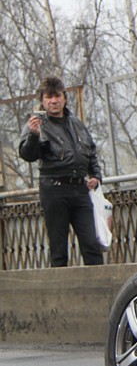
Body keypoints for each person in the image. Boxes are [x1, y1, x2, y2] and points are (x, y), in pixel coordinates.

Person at [19, 76, 104, 267]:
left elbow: (90, 152)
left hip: (80, 190)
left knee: (91, 244)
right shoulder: (37, 124)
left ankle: (100, 290)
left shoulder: (76, 123)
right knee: (59, 249)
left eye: (57, 96)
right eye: (49, 97)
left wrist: (96, 176)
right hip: (54, 189)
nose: (53, 101)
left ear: (64, 98)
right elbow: (27, 155)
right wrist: (33, 135)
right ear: (42, 100)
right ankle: (60, 293)